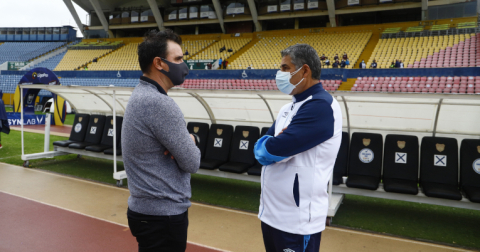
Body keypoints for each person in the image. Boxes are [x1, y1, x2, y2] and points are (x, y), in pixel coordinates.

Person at [254, 43, 342, 252]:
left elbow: (271, 150)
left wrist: (274, 145)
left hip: (296, 221)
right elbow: (262, 147)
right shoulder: (289, 107)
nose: (280, 73)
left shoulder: (321, 106)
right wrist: (273, 144)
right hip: (271, 214)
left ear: (304, 70)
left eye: (285, 68)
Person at [122, 29, 201, 252]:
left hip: (148, 211)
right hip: (163, 216)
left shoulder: (140, 95)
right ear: (159, 63)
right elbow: (192, 162)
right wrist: (192, 140)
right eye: (178, 59)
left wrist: (188, 139)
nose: (183, 66)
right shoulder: (159, 104)